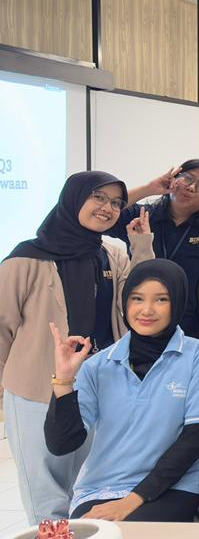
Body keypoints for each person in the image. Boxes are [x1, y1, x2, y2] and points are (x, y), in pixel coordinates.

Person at [0, 171, 154, 523]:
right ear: (73, 199)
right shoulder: (25, 259)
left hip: (96, 388)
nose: (108, 208)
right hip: (37, 390)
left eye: (116, 203)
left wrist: (142, 247)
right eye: (98, 197)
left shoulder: (109, 254)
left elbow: (141, 299)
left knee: (86, 486)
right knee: (46, 489)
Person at [45, 258, 199, 521]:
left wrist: (131, 501)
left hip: (172, 488)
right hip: (99, 488)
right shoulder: (97, 365)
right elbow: (62, 444)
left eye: (161, 299)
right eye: (137, 298)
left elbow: (195, 439)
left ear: (178, 302)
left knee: (127, 531)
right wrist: (64, 380)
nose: (147, 310)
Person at [113, 159, 199, 341]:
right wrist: (149, 188)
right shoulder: (143, 217)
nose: (191, 187)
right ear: (174, 179)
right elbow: (108, 208)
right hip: (146, 323)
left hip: (191, 328)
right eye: (187, 178)